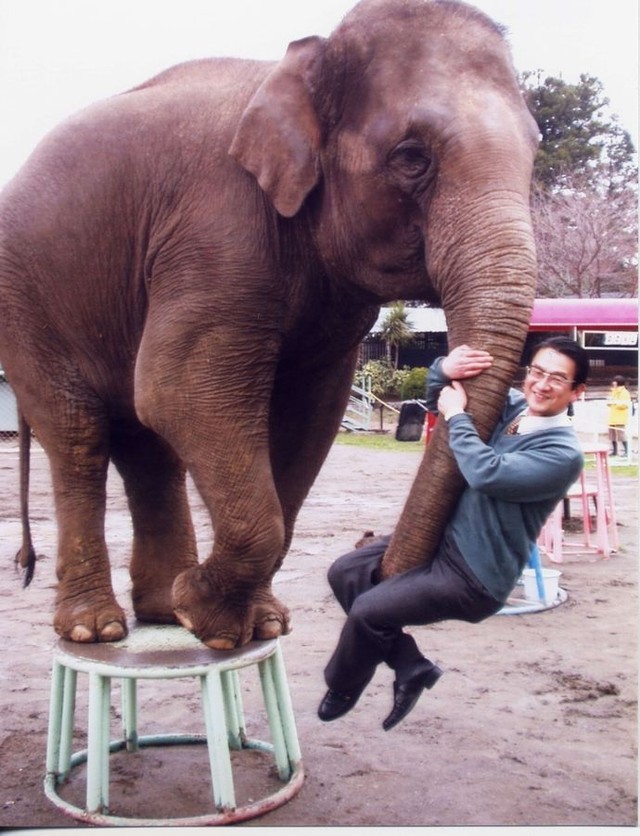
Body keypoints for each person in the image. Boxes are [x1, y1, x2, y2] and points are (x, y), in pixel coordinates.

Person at [318, 336, 588, 731]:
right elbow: (441, 397)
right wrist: (444, 369)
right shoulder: (514, 409)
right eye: (537, 372)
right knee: (345, 572)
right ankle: (410, 665)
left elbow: (486, 472)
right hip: (441, 543)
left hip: (474, 577)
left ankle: (342, 686)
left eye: (557, 379)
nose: (542, 384)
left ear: (577, 391)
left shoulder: (562, 453)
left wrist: (458, 417)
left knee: (368, 611)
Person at [606, 375, 632, 457]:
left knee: (621, 435)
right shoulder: (614, 391)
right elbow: (611, 402)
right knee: (612, 435)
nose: (613, 383)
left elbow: (625, 405)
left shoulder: (625, 392)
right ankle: (614, 451)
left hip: (620, 417)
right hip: (612, 416)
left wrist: (615, 403)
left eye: (614, 381)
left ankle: (627, 451)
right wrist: (610, 402)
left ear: (618, 382)